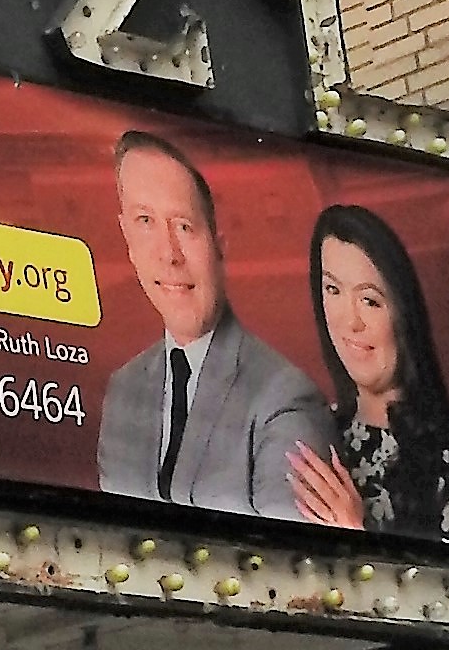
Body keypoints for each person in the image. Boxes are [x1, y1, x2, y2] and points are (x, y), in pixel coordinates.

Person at [96, 131, 332, 515]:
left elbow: (291, 564)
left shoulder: (284, 397)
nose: (169, 254)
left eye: (184, 226)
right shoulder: (123, 393)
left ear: (219, 245)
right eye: (145, 221)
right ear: (127, 239)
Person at [286, 201, 449, 550]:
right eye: (332, 290)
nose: (349, 321)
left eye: (370, 301)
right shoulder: (314, 429)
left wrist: (356, 535)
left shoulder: (448, 459)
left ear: (403, 315)